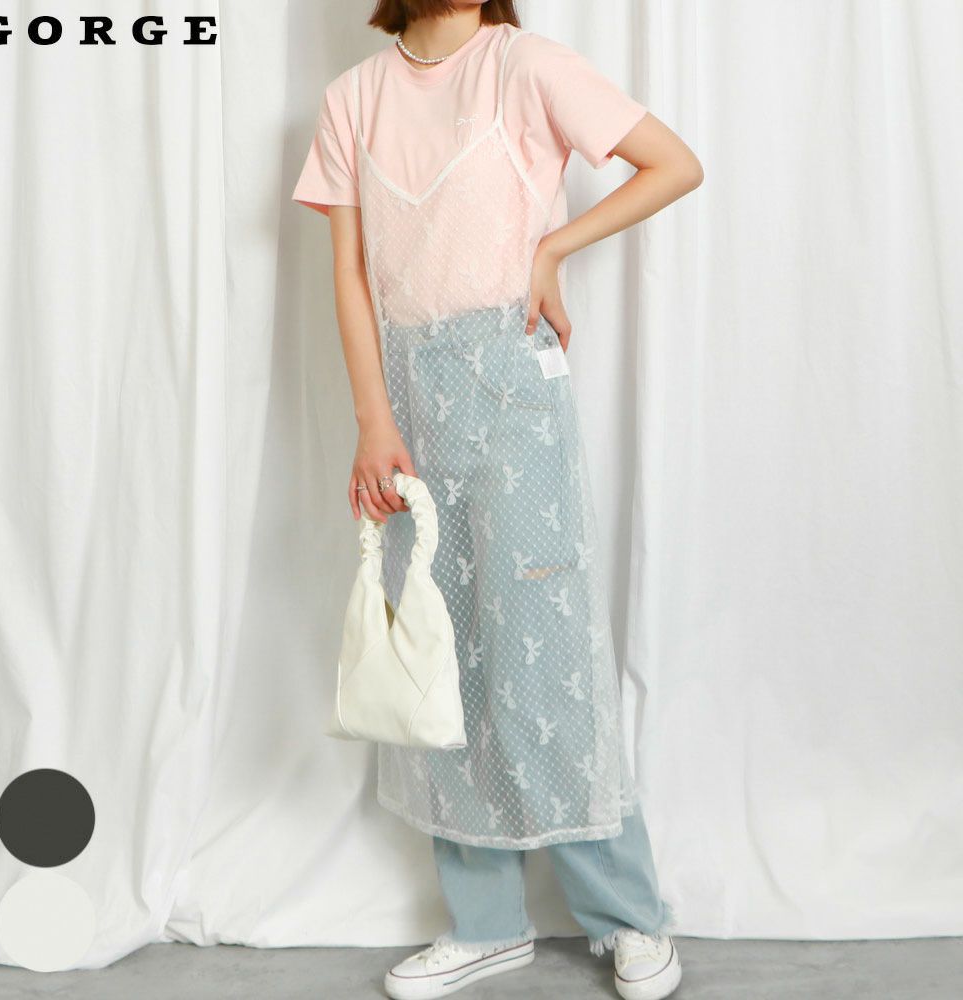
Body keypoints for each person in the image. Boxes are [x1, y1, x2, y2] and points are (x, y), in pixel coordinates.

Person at [292, 2, 702, 997]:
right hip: (406, 400)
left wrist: (551, 249)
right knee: (445, 654)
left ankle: (627, 914)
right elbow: (349, 272)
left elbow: (672, 164)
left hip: (514, 387)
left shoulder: (525, 67)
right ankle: (484, 922)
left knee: (545, 649)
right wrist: (373, 420)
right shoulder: (352, 98)